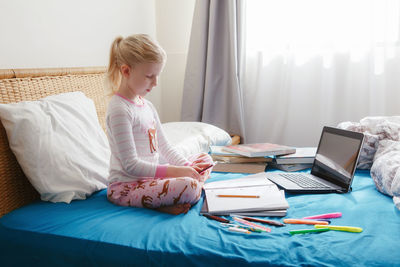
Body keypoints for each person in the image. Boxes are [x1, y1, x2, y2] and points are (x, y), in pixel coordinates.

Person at [104, 34, 214, 215]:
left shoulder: (148, 106)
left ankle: (168, 200)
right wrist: (177, 172)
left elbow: (165, 147)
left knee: (204, 159)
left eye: (157, 76)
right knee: (190, 186)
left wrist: (188, 167)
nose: (155, 83)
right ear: (126, 71)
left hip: (150, 181)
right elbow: (131, 165)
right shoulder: (119, 110)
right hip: (127, 187)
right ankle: (175, 196)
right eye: (149, 76)